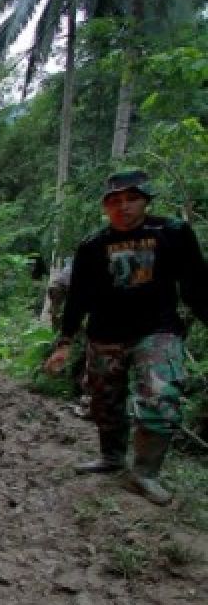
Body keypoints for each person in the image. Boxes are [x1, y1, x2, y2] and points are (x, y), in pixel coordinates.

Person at [44, 170, 208, 505]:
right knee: (104, 400)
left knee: (160, 397)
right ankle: (112, 456)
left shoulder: (172, 234)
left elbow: (196, 285)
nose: (124, 207)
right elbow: (78, 299)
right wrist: (64, 342)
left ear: (146, 200)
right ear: (106, 206)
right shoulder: (92, 246)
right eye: (115, 201)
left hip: (157, 330)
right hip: (105, 333)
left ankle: (144, 473)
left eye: (132, 198)